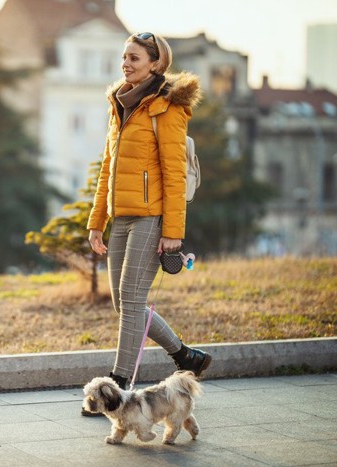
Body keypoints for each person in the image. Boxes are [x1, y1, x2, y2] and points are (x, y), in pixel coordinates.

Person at [84, 32, 212, 405]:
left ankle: (118, 388)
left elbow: (174, 173)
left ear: (156, 64)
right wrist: (97, 220)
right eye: (124, 57)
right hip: (121, 216)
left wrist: (172, 232)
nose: (126, 63)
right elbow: (108, 168)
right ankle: (185, 356)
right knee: (124, 305)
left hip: (152, 216)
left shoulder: (167, 108)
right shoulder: (120, 103)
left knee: (132, 299)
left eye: (134, 58)